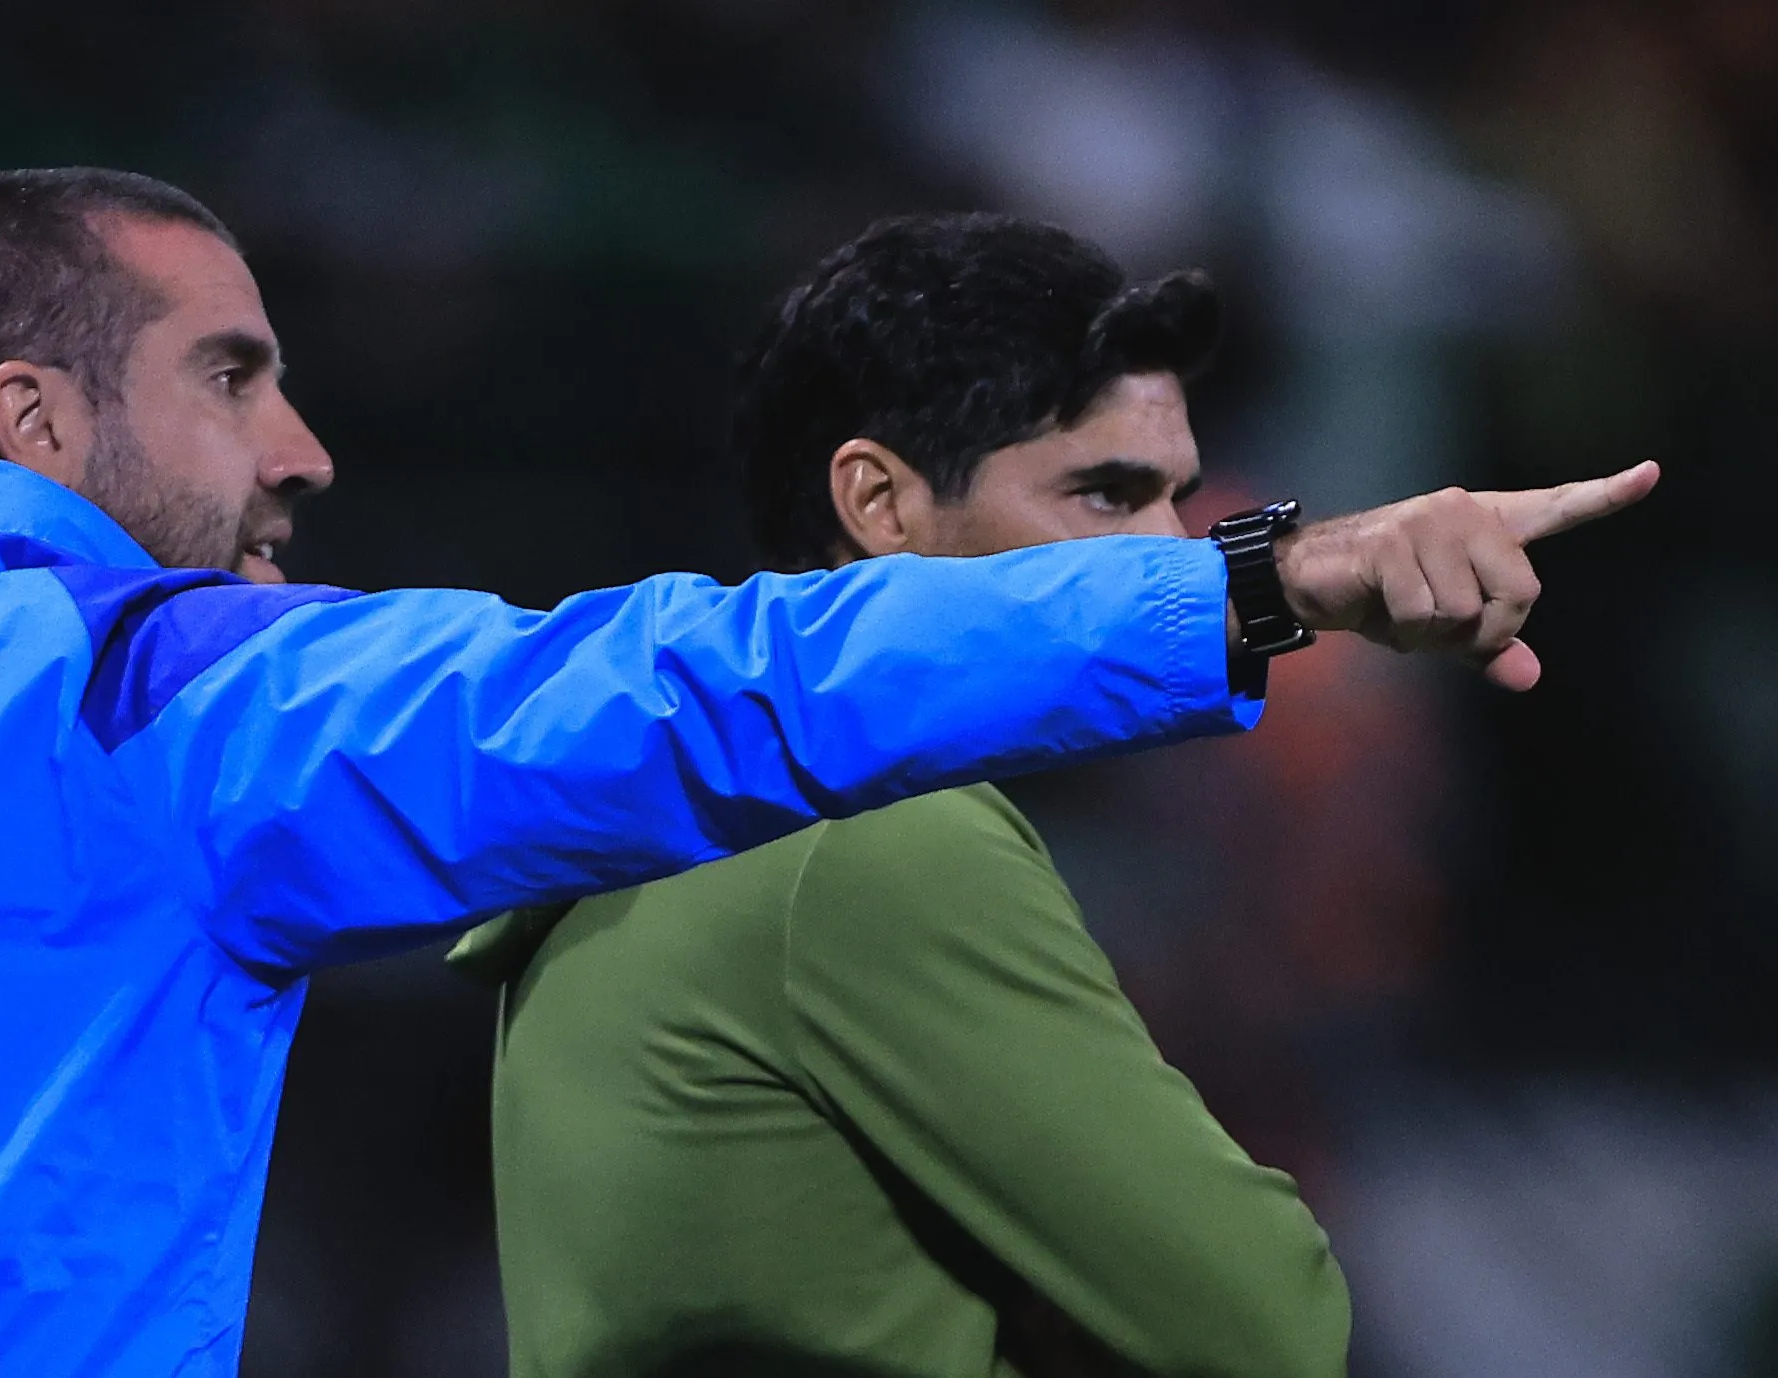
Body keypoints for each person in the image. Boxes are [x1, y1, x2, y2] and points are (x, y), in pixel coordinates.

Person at [0, 171, 1646, 1377]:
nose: (303, 446)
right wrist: (1266, 583)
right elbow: (698, 687)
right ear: (35, 421)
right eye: (234, 376)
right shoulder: (144, 703)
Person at [451, 212, 1653, 1378]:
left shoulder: (670, 809)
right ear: (879, 505)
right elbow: (1269, 1322)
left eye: (1178, 499)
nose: (1172, 549)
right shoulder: (875, 835)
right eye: (1104, 494)